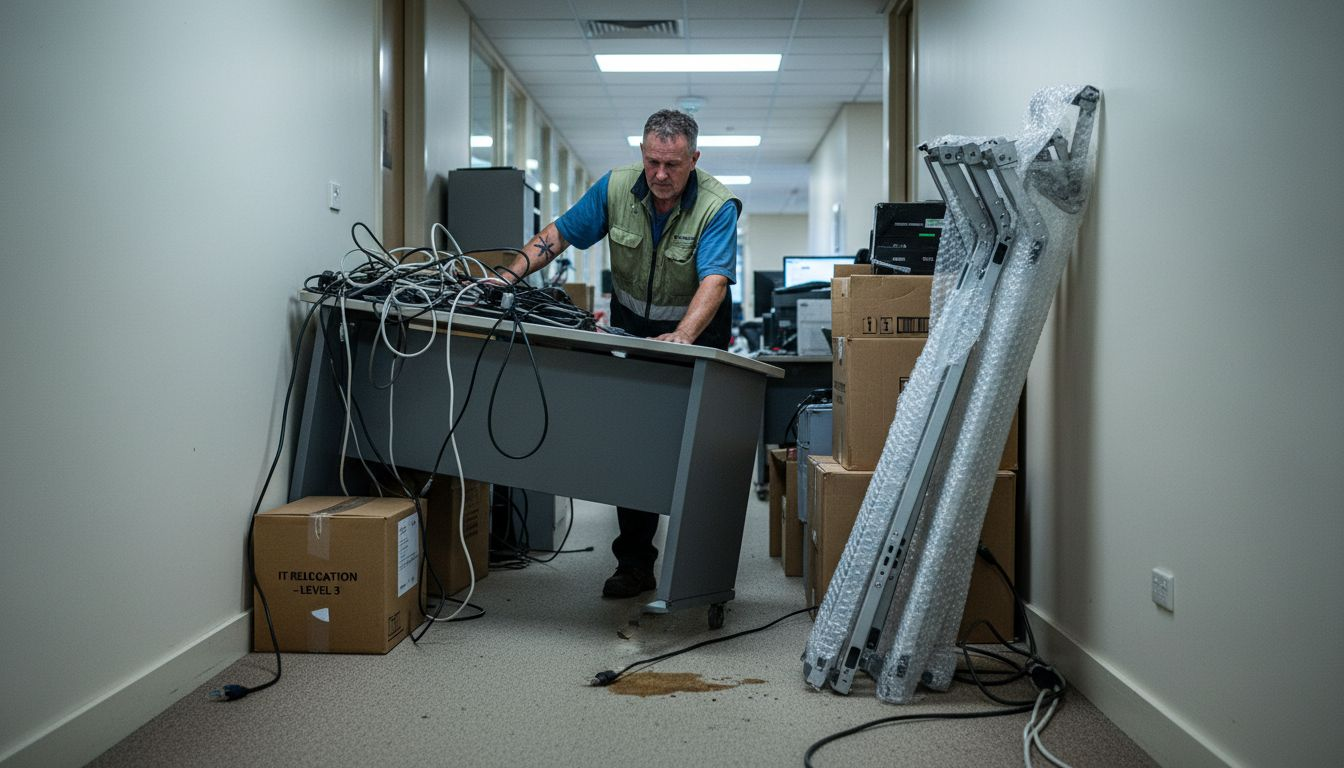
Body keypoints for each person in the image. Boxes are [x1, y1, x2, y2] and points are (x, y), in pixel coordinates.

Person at [502, 109, 741, 598]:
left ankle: (705, 568)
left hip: (700, 334)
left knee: (700, 451)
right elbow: (557, 235)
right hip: (636, 332)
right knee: (638, 445)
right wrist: (503, 279)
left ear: (693, 159)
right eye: (653, 161)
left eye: (673, 165)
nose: (660, 175)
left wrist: (683, 335)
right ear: (642, 153)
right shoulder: (615, 189)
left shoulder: (717, 206)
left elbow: (714, 278)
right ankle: (635, 563)